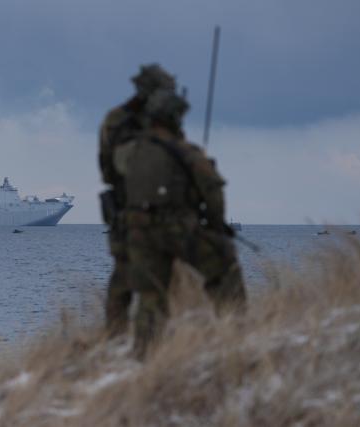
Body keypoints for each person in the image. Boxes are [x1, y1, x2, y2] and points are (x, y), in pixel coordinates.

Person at [104, 64, 246, 358]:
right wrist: (216, 225)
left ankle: (143, 353)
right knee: (223, 267)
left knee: (150, 294)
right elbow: (213, 189)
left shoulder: (128, 149)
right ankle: (238, 333)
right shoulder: (186, 151)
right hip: (178, 226)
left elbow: (114, 173)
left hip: (138, 227)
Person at [99, 65, 176, 336]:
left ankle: (115, 338)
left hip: (125, 213)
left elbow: (106, 170)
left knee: (122, 282)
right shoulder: (160, 121)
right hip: (154, 213)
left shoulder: (114, 120)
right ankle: (150, 340)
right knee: (155, 281)